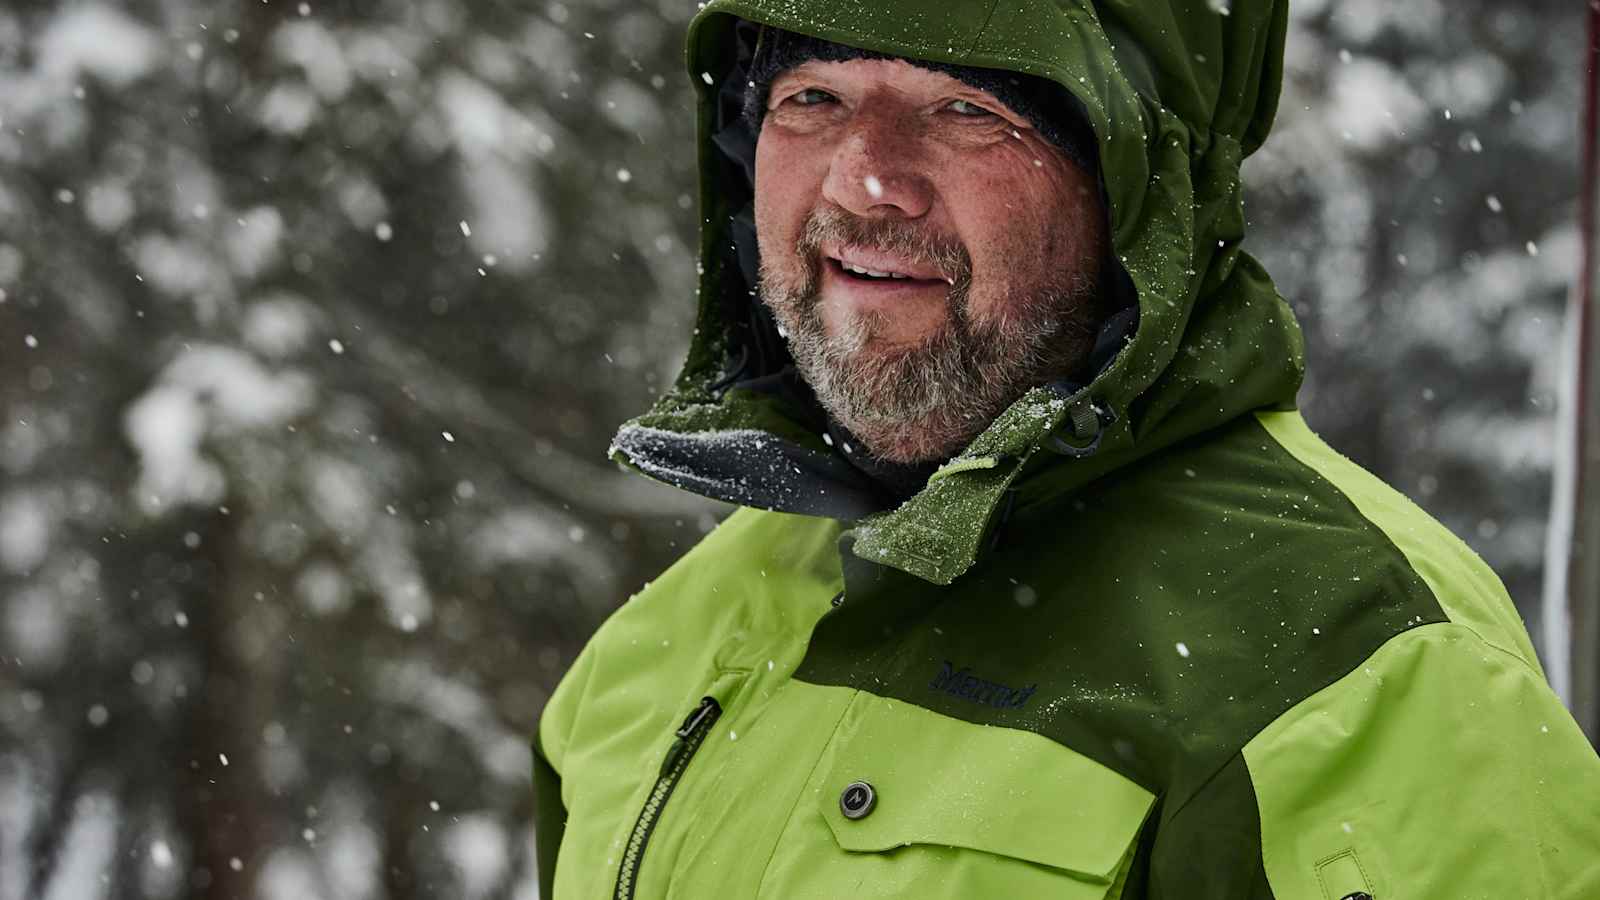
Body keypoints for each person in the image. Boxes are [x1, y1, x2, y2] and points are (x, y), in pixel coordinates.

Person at [533, 1, 1600, 897]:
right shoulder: (668, 643)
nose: (864, 182)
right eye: (812, 97)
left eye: (966, 110)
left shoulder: (1357, 670)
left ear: (1137, 188)